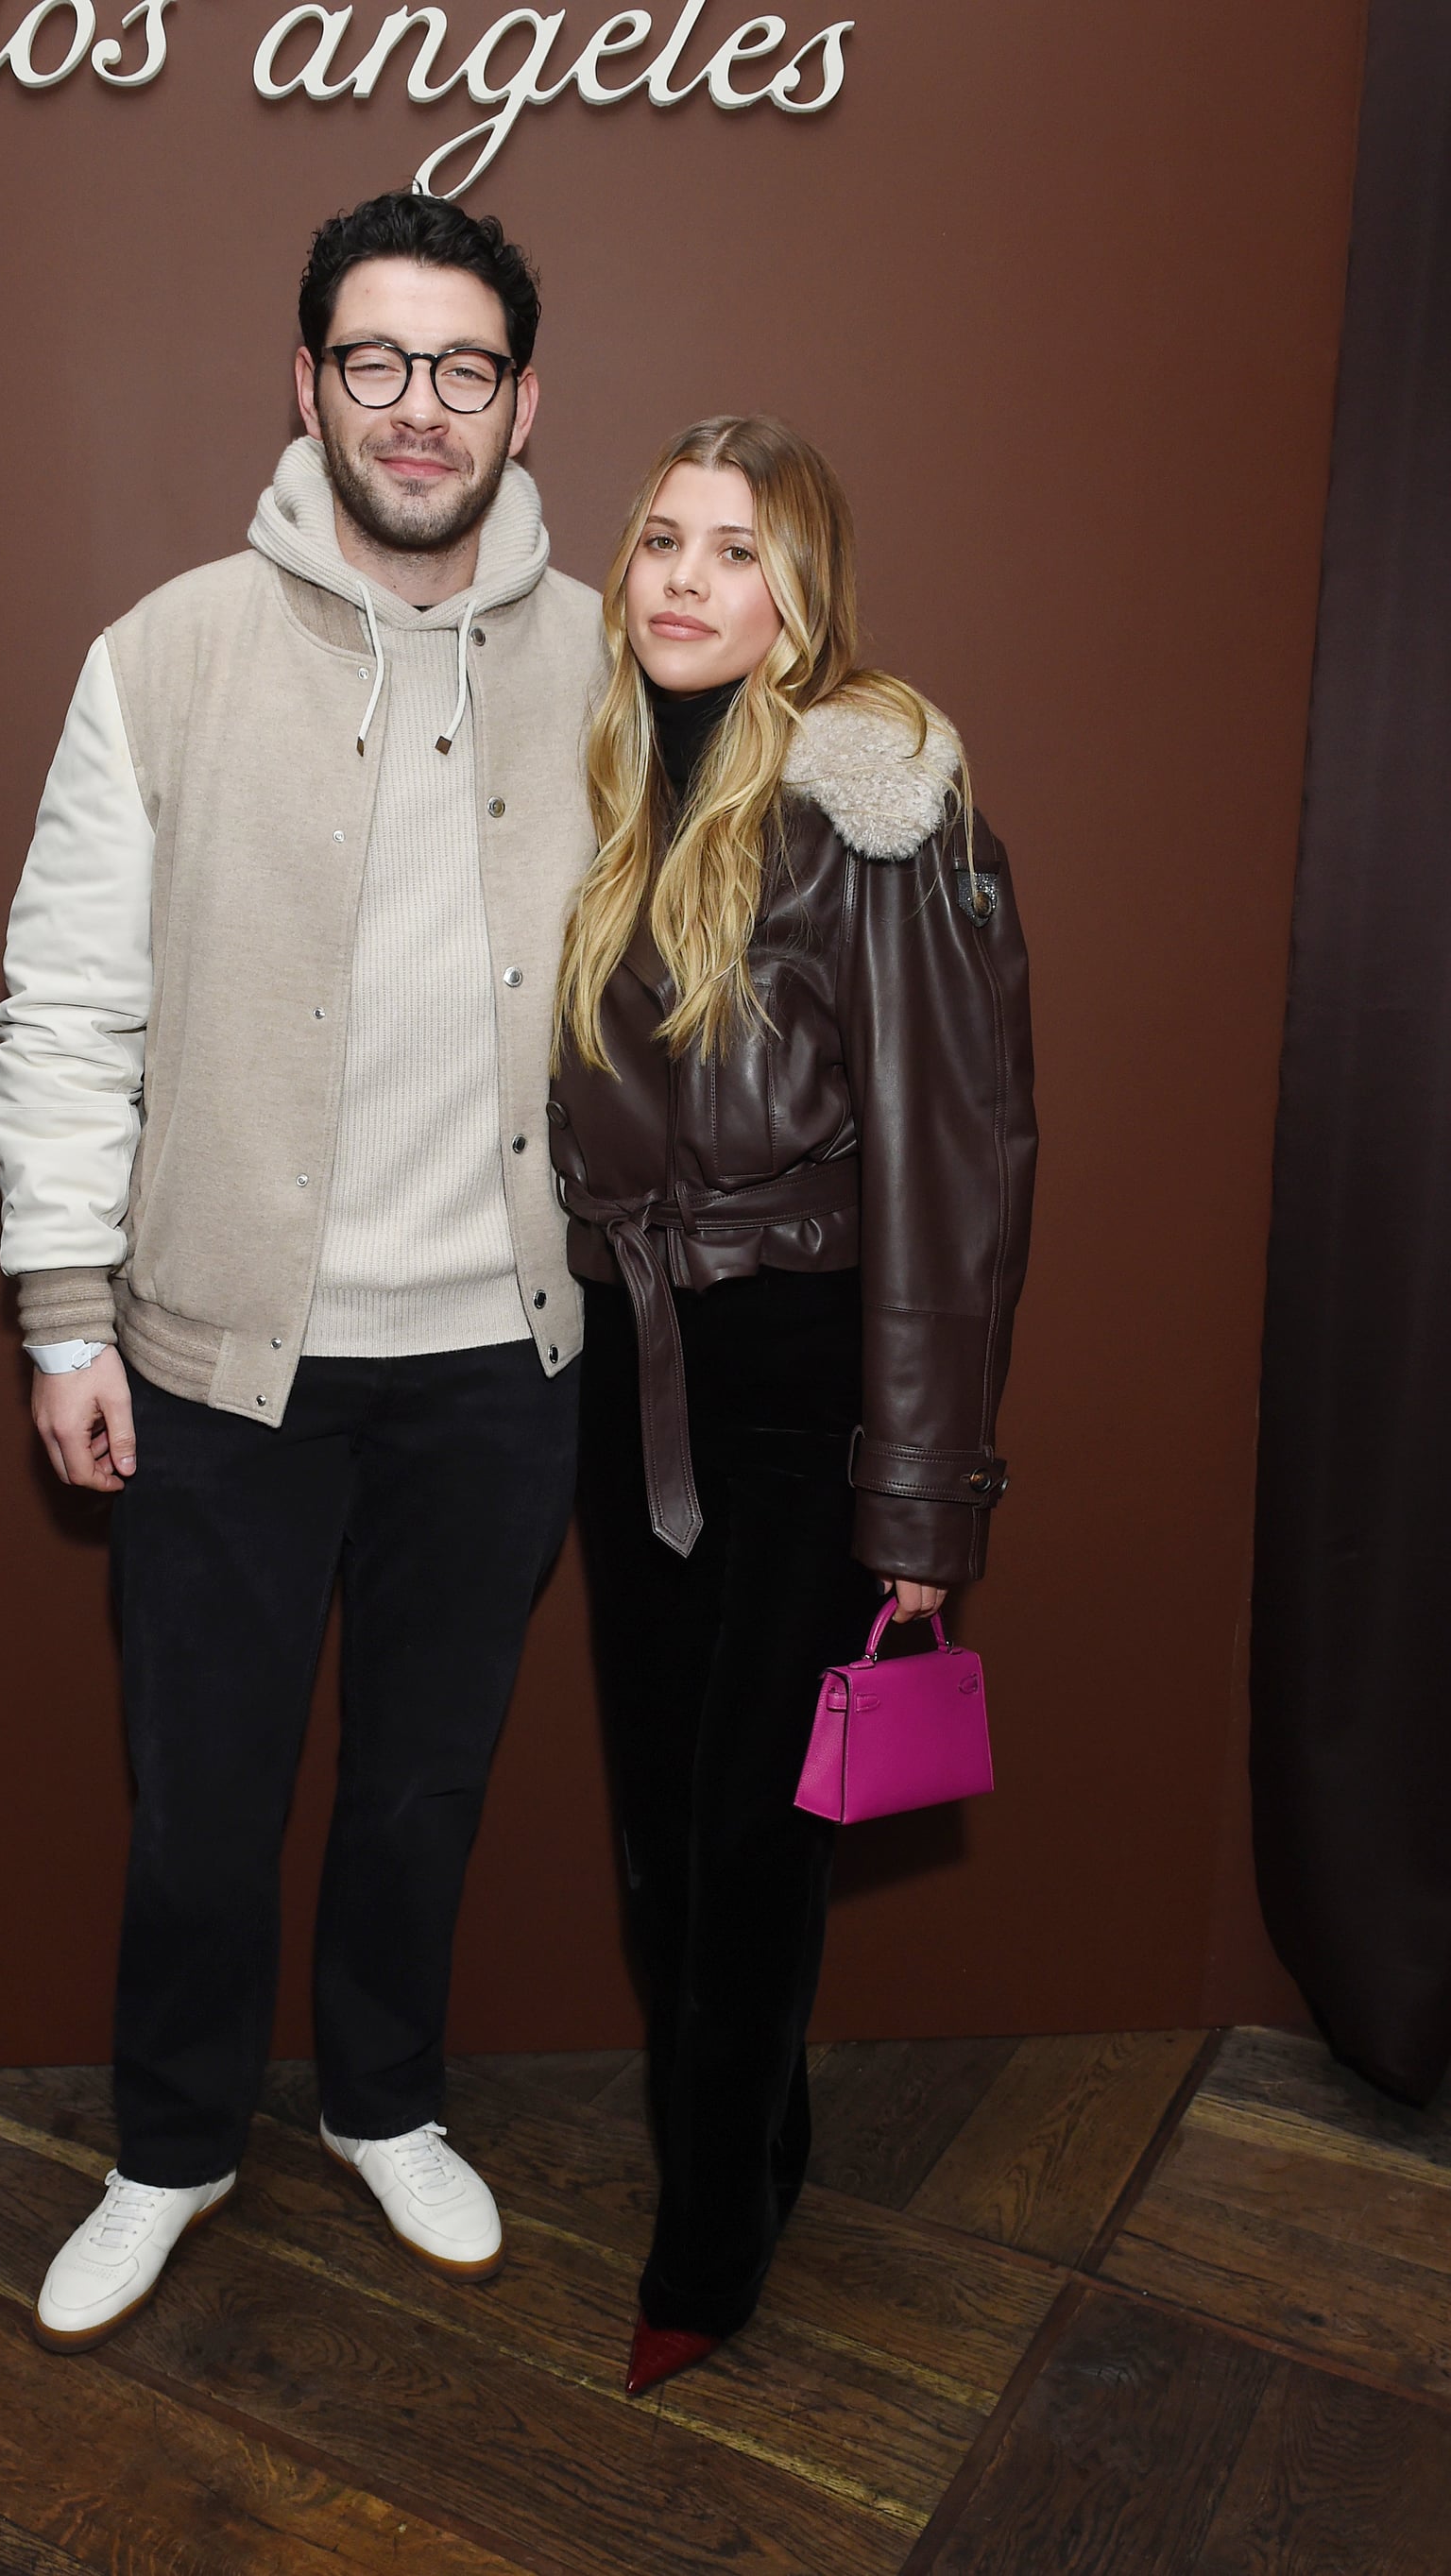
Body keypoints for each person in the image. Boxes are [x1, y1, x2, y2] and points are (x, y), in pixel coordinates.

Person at [0, 191, 606, 2352]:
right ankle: (170, 2144)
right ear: (307, 381)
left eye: (458, 368)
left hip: (504, 1360)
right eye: (372, 360)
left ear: (523, 400)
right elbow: (67, 1003)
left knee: (427, 1779)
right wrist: (64, 1303)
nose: (413, 407)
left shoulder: (620, 660)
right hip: (223, 1360)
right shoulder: (163, 655)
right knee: (203, 1805)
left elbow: (763, 874)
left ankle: (384, 2098)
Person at [548, 415, 1035, 2395]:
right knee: (664, 1833)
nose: (679, 576)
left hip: (805, 1385)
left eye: (731, 552)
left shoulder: (881, 812)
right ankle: (754, 2132)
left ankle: (707, 2246)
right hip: (632, 1376)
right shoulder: (604, 793)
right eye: (659, 538)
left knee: (751, 1836)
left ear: (797, 596)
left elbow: (962, 1166)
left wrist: (915, 1510)